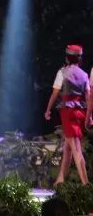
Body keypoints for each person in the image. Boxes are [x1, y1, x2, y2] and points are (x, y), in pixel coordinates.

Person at [45, 44, 90, 185]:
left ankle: (86, 184)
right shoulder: (84, 74)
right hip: (80, 112)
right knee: (68, 148)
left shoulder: (63, 72)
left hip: (68, 113)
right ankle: (60, 182)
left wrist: (48, 109)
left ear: (67, 58)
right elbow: (88, 98)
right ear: (79, 59)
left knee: (76, 149)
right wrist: (89, 116)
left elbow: (55, 93)